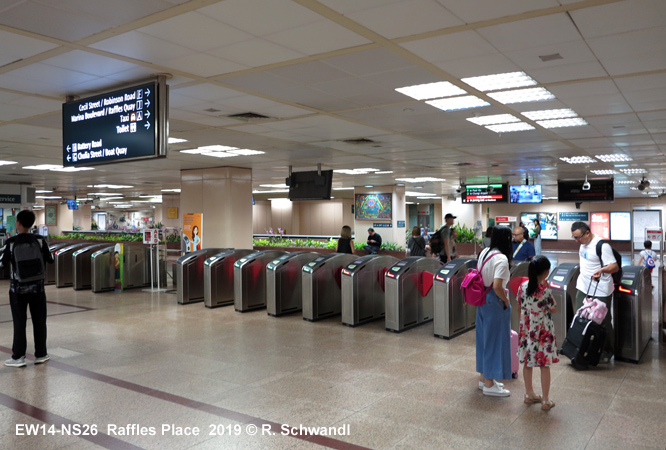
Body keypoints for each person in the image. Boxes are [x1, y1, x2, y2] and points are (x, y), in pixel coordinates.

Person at [1, 210, 54, 368]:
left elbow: (2, 264)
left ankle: (18, 357)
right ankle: (41, 354)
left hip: (18, 290)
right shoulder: (39, 240)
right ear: (31, 224)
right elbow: (50, 259)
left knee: (19, 322)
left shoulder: (11, 242)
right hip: (38, 289)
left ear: (18, 223)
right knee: (39, 321)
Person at [571, 221, 618, 363]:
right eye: (574, 237)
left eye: (578, 237)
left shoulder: (602, 246)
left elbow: (614, 266)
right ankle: (581, 346)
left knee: (602, 321)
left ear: (587, 233)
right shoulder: (582, 244)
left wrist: (602, 270)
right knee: (580, 316)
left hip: (601, 289)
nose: (576, 241)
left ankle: (607, 350)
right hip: (584, 287)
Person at [517, 256, 559, 411]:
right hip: (542, 333)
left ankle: (529, 394)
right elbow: (554, 308)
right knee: (544, 364)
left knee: (527, 362)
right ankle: (545, 400)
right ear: (546, 272)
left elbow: (519, 306)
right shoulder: (545, 291)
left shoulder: (522, 287)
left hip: (527, 331)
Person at [476, 226, 513, 397]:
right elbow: (498, 286)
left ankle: (484, 378)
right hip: (494, 301)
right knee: (494, 341)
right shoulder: (502, 259)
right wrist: (505, 301)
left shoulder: (484, 253)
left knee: (484, 339)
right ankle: (490, 384)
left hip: (481, 299)